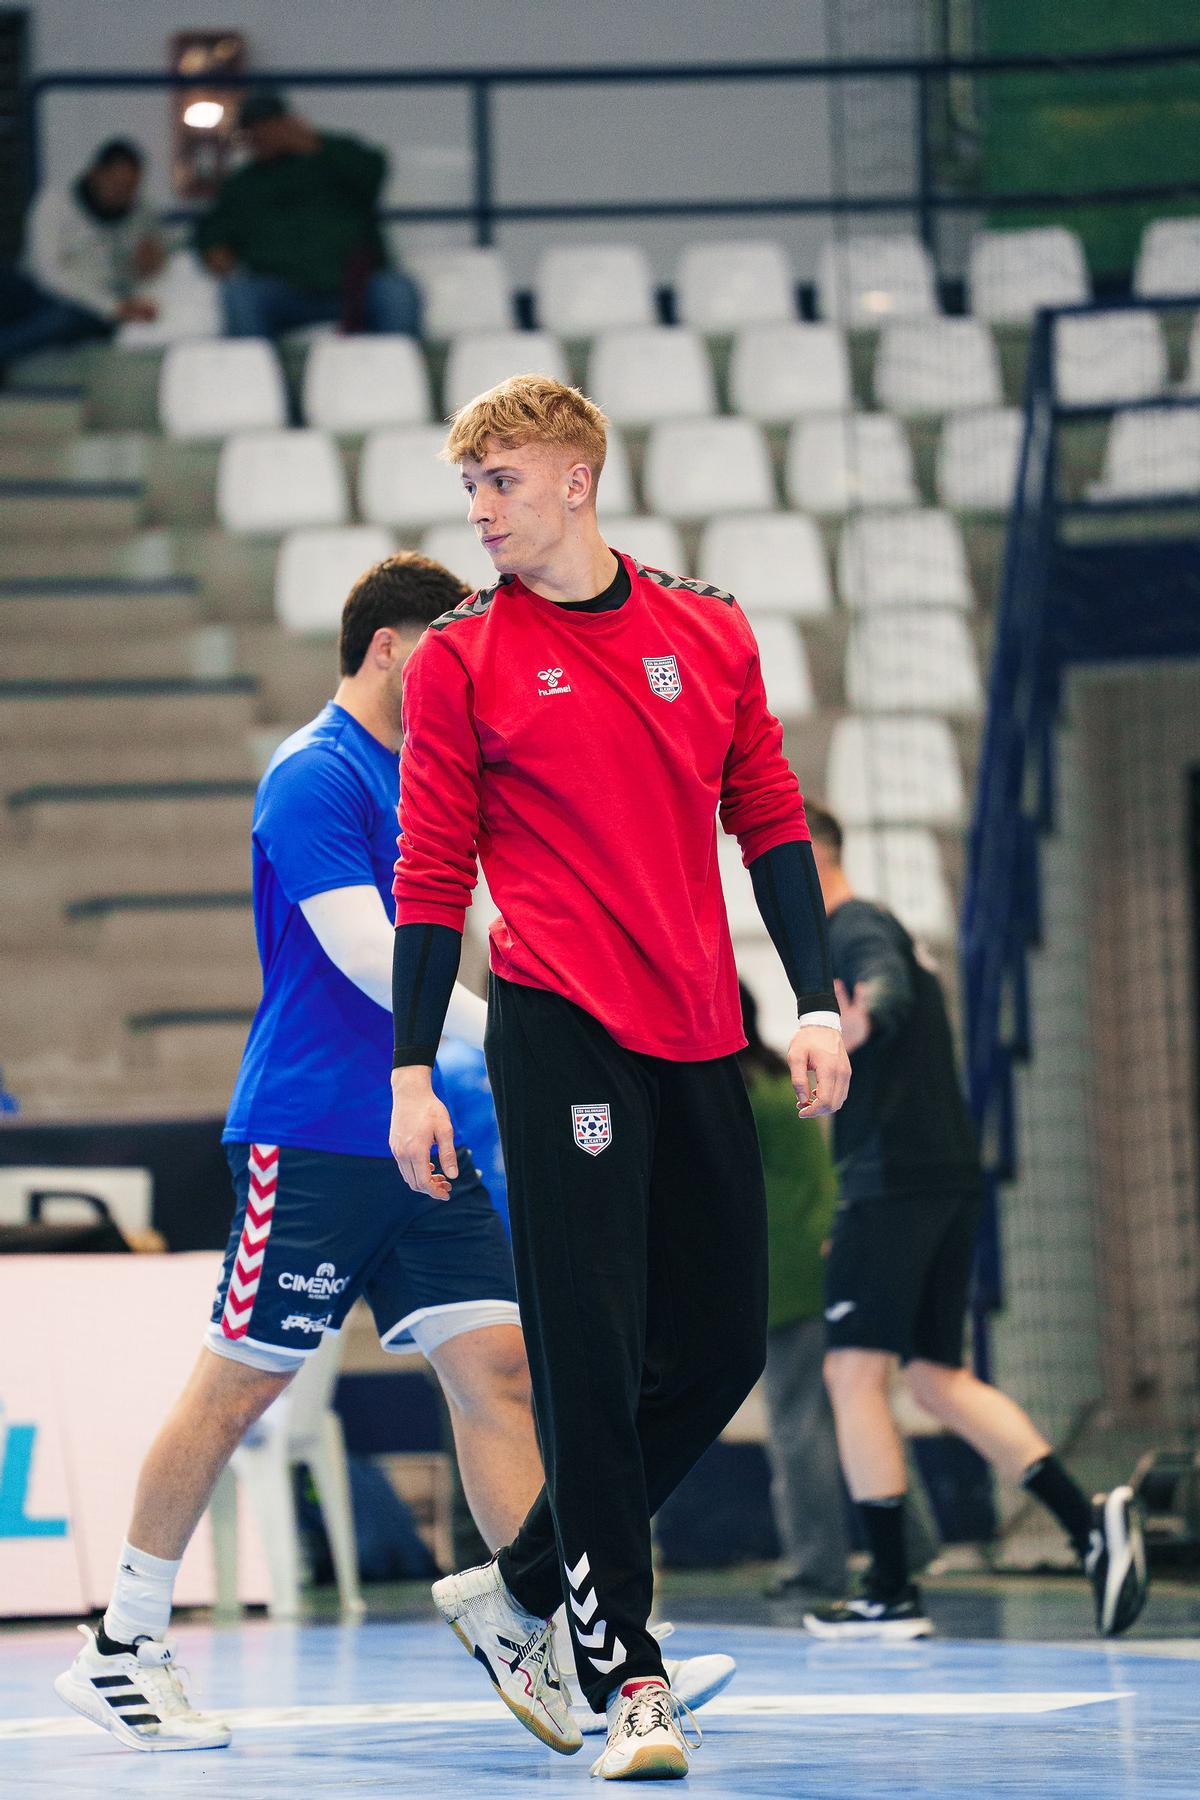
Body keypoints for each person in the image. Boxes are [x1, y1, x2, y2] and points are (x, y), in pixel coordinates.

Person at [53, 551, 732, 1755]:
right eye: (445, 650)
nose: (469, 670)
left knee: (503, 1373)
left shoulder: (430, 771)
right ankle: (123, 1644)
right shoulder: (313, 773)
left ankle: (562, 1639)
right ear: (388, 649)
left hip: (422, 1134)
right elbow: (371, 953)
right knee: (237, 1385)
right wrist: (524, 1043)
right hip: (316, 1133)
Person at [389, 374, 850, 1780]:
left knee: (717, 1349)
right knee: (588, 1360)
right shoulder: (460, 660)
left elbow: (770, 816)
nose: (480, 511)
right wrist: (411, 1069)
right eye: (470, 487)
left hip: (701, 1030)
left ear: (576, 478)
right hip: (558, 1028)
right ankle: (626, 1675)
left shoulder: (707, 629)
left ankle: (518, 1587)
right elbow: (431, 875)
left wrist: (811, 1001)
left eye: (502, 482)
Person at [799, 803, 1149, 1642]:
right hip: (941, 1177)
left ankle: (889, 1589)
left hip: (894, 1180)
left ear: (809, 854)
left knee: (851, 1374)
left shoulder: (852, 929)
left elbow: (882, 986)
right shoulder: (867, 927)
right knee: (933, 1378)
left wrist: (861, 1020)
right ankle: (1088, 1524)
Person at [738, 980, 849, 1601]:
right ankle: (913, 1547)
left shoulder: (744, 1097)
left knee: (797, 1421)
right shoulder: (779, 1081)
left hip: (783, 1274)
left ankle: (816, 1564)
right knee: (848, 1408)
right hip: (814, 1260)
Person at [196, 91, 421, 340]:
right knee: (240, 295)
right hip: (282, 290)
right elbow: (212, 229)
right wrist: (214, 248)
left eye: (268, 126)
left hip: (354, 285)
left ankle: (399, 365)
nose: (261, 135)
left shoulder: (333, 156)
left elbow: (373, 174)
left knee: (396, 290)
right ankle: (253, 367)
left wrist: (314, 145)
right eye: (253, 130)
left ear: (287, 123)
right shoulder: (242, 185)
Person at [0, 138, 162, 373]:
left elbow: (140, 271)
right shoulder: (55, 203)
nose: (122, 193)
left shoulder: (142, 216)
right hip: (42, 292)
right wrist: (114, 306)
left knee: (64, 320)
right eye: (116, 183)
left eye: (130, 187)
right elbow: (47, 272)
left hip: (90, 308)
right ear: (96, 174)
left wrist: (150, 263)